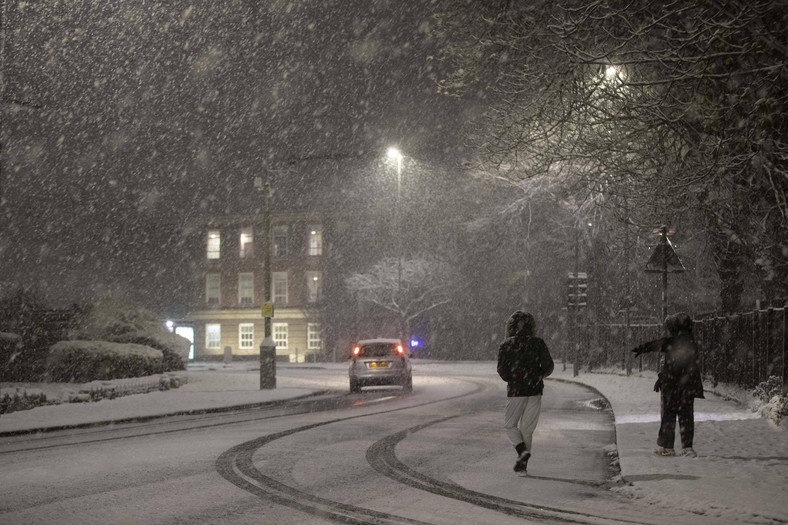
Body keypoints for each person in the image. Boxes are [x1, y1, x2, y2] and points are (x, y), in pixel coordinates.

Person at [632, 312, 704, 457]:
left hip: (672, 386)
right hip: (688, 386)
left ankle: (667, 447)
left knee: (668, 416)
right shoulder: (691, 342)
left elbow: (659, 346)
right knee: (687, 416)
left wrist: (641, 348)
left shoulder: (673, 342)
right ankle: (688, 447)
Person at [497, 310, 554, 474]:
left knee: (510, 426)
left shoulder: (506, 345)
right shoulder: (538, 343)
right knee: (527, 429)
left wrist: (514, 379)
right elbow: (548, 366)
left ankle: (522, 452)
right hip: (535, 390)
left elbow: (502, 370)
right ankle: (523, 466)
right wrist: (538, 376)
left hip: (516, 392)